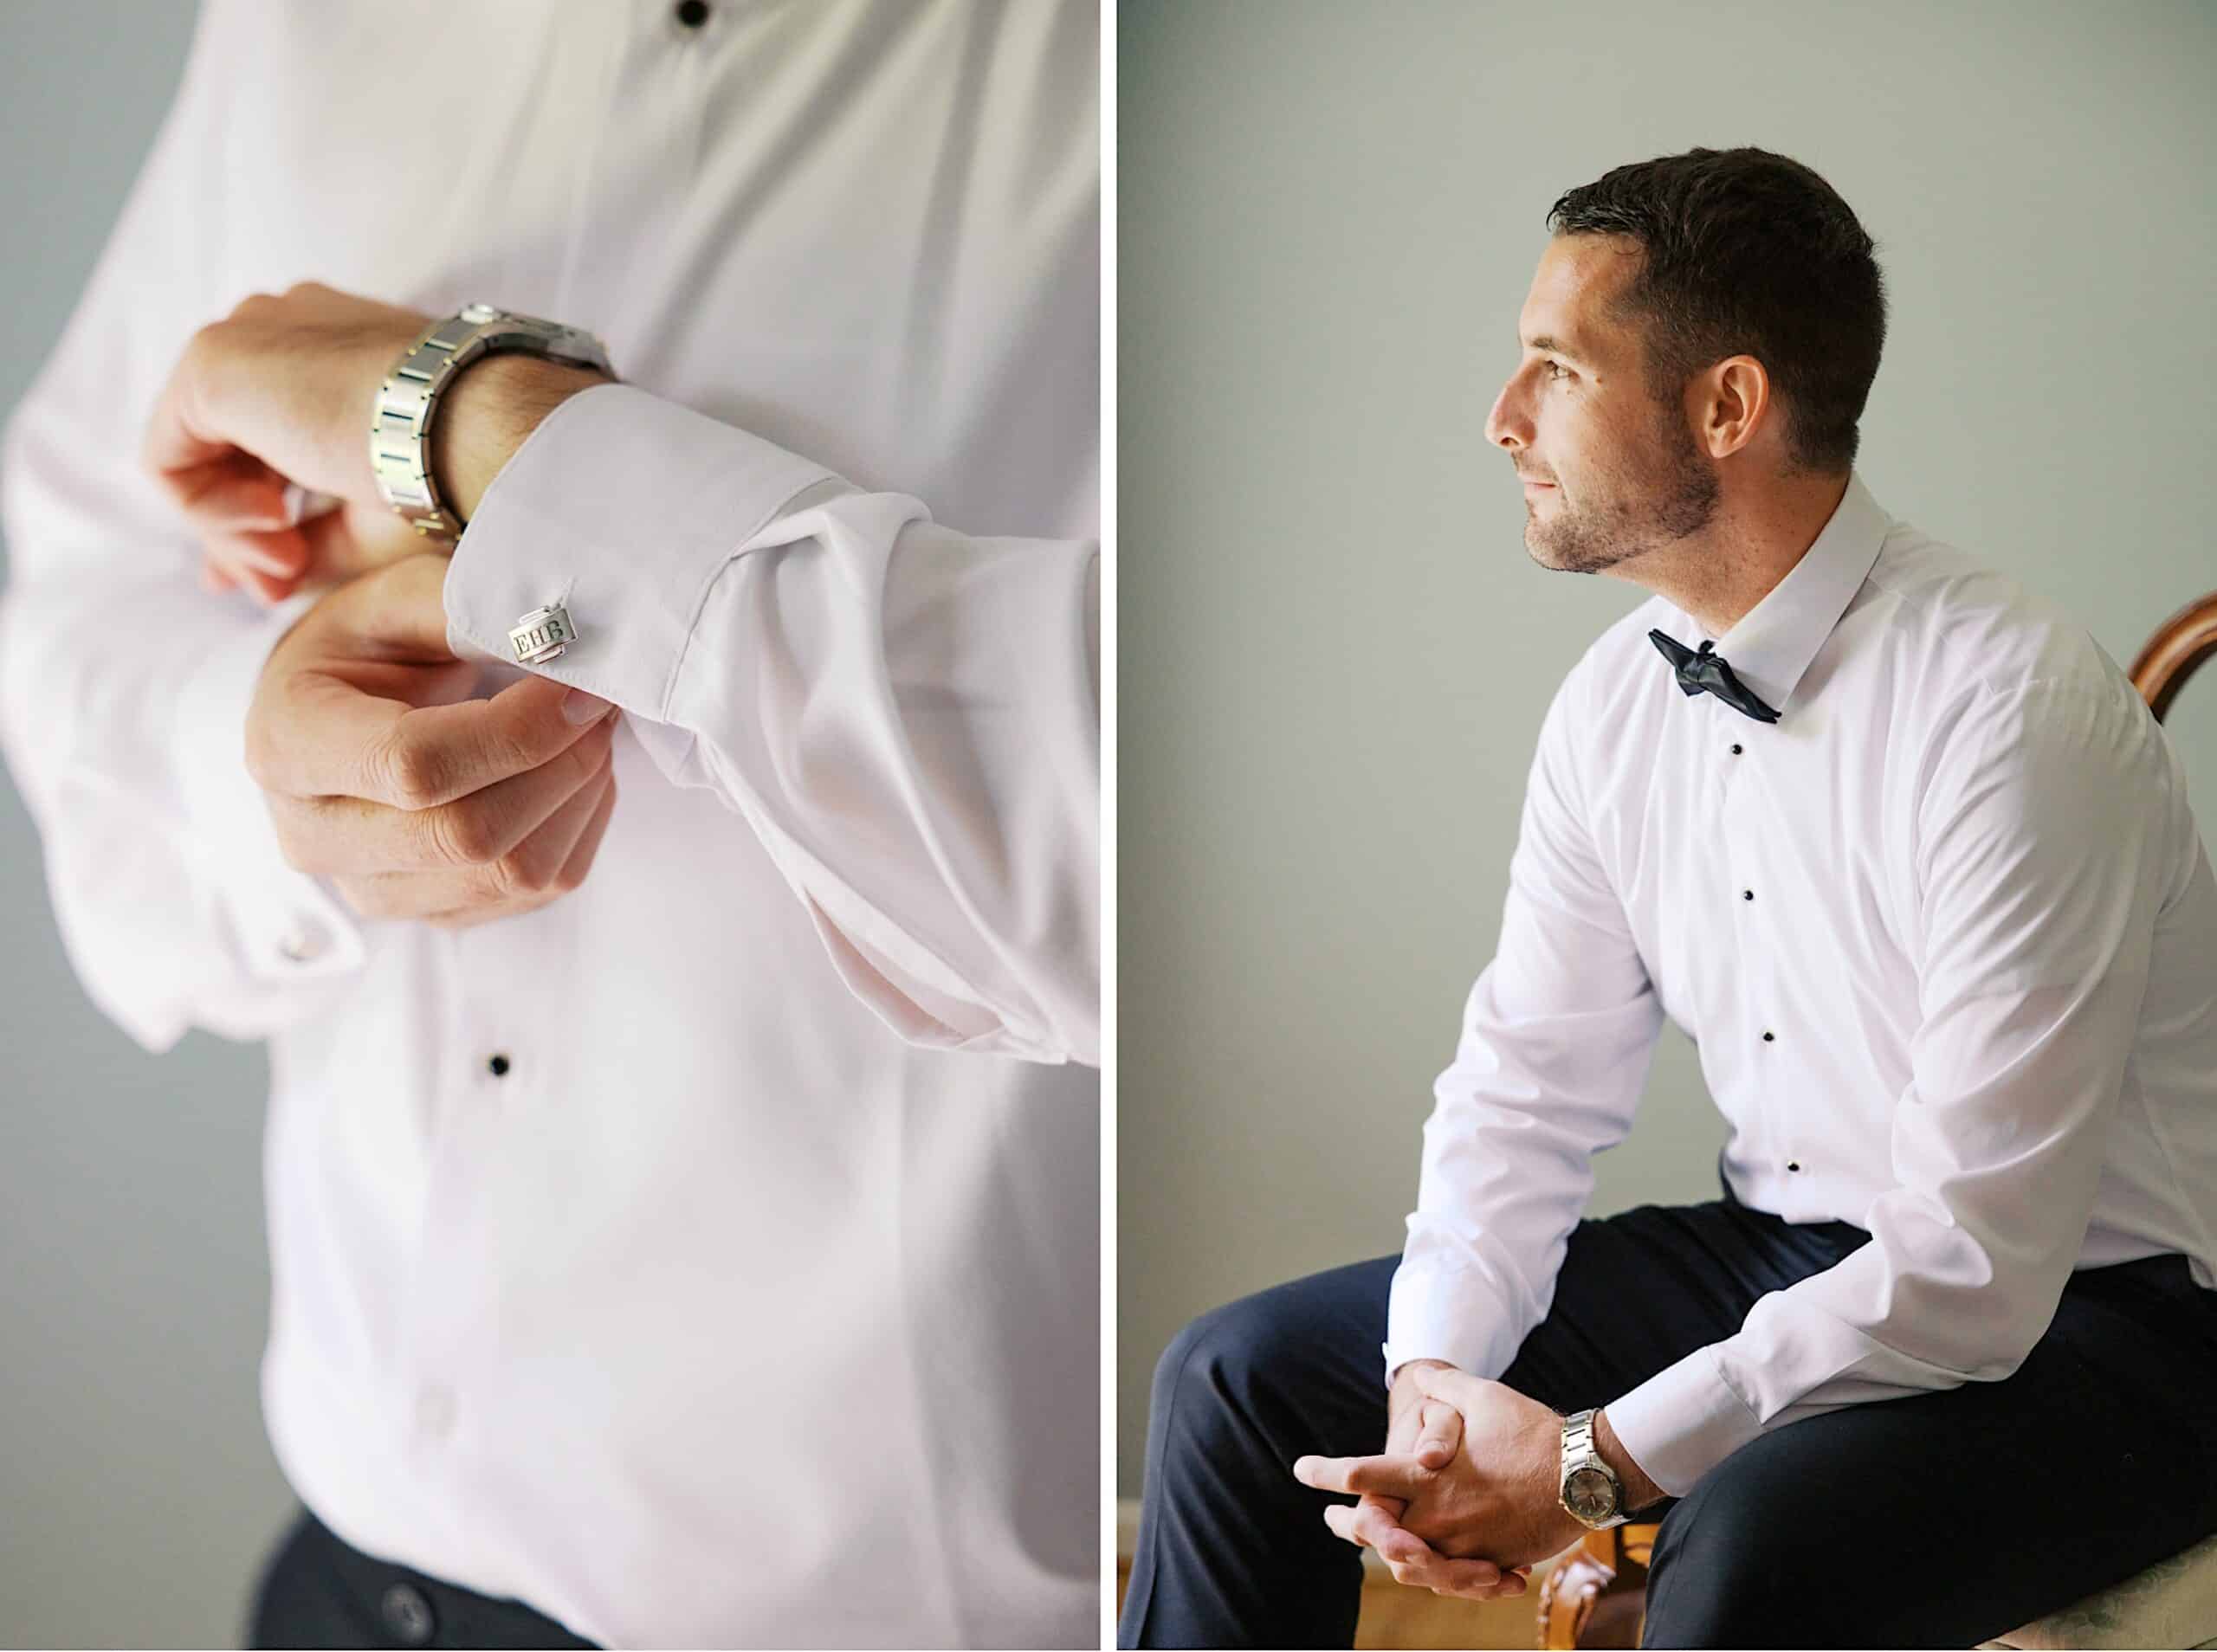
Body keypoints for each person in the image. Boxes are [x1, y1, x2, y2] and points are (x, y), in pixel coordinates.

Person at [0, 1, 1099, 1646]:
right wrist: (254, 758)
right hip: (347, 1576)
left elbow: (1171, 815)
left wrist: (475, 430)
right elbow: (84, 573)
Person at [1119, 145, 2217, 1649]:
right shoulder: (1610, 706)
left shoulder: (2013, 713)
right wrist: (1436, 1395)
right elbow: (1526, 1086)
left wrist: (1585, 1466)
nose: (1502, 420)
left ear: (1727, 408)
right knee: (1236, 1379)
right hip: (1786, 1239)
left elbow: (1972, 1266)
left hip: (2111, 1323)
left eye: (1554, 370)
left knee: (1752, 1541)